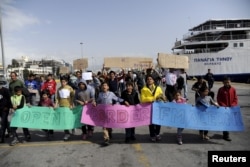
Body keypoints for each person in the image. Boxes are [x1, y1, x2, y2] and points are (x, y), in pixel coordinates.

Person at [93, 82, 124, 146]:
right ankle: (106, 139)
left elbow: (117, 99)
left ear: (108, 87)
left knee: (109, 126)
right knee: (104, 126)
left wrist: (124, 101)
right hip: (103, 113)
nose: (104, 86)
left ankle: (109, 132)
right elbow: (98, 101)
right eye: (103, 85)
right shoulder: (100, 94)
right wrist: (95, 102)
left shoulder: (111, 94)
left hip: (110, 113)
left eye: (105, 85)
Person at [140, 74, 164, 142]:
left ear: (153, 80)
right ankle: (152, 135)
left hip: (157, 107)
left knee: (158, 121)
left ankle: (157, 134)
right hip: (148, 108)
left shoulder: (158, 88)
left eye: (150, 79)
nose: (149, 80)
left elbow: (161, 96)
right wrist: (153, 98)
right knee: (151, 123)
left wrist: (162, 98)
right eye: (148, 79)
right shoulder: (143, 89)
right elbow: (142, 99)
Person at [217, 77, 238, 141]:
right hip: (224, 108)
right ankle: (226, 135)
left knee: (229, 121)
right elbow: (219, 99)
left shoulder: (233, 89)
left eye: (228, 82)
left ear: (230, 82)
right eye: (225, 82)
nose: (227, 83)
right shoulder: (221, 89)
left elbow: (235, 99)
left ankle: (225, 133)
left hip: (231, 108)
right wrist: (223, 105)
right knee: (225, 121)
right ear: (223, 82)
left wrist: (233, 105)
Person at [56, 76, 75, 141]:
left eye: (64, 81)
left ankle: (72, 128)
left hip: (68, 106)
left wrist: (71, 104)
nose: (63, 83)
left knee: (69, 119)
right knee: (64, 120)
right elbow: (57, 98)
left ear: (66, 82)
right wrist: (56, 104)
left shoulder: (70, 88)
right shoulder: (59, 89)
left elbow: (72, 96)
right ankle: (67, 133)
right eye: (61, 81)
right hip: (62, 106)